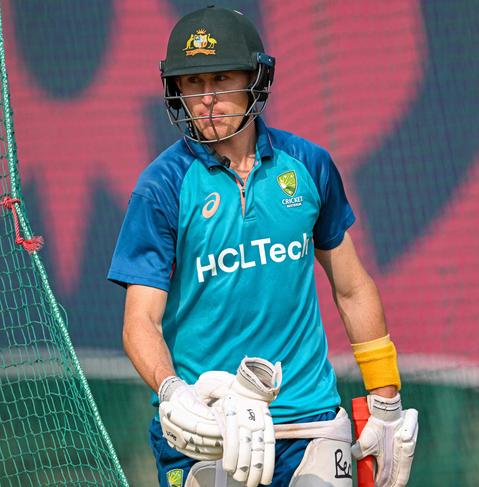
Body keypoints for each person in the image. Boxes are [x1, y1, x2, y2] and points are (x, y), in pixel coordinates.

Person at [108, 6, 418, 487]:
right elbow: (139, 322)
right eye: (191, 84)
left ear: (256, 79)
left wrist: (385, 401)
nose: (207, 99)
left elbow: (353, 288)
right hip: (209, 428)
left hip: (312, 422)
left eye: (222, 79)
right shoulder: (161, 187)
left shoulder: (309, 165)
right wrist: (173, 393)